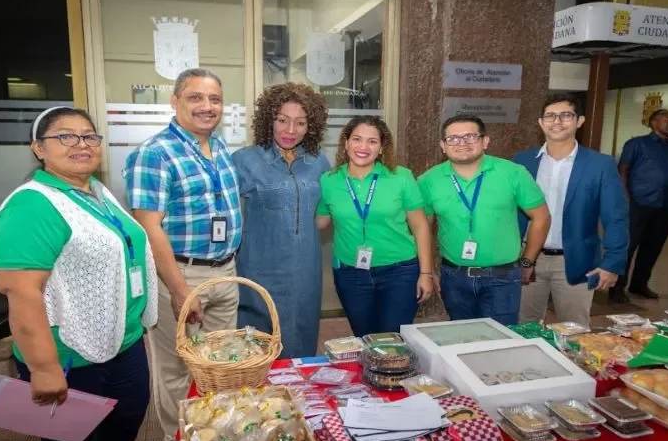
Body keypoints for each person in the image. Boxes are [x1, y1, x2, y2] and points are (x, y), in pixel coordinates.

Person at [0, 107, 158, 441]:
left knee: (123, 426)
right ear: (38, 148)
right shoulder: (32, 204)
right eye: (65, 136)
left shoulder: (95, 191)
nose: (81, 144)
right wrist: (44, 368)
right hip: (68, 352)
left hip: (123, 341)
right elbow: (21, 291)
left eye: (89, 136)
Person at [124, 68, 242, 441]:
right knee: (176, 368)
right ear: (174, 102)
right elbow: (149, 229)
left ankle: (213, 440)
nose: (207, 107)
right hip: (180, 273)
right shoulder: (153, 154)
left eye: (214, 100)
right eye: (195, 98)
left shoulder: (220, 147)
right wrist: (178, 289)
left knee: (219, 364)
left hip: (224, 271)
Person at [418, 115, 550, 325]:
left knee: (500, 342)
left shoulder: (513, 173)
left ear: (485, 141)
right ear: (443, 146)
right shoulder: (428, 180)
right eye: (453, 139)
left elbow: (541, 217)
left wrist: (527, 261)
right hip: (454, 276)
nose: (462, 143)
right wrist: (428, 270)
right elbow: (422, 228)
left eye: (470, 136)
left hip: (503, 277)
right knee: (462, 339)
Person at [232, 83, 331, 359]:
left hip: (305, 268)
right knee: (257, 340)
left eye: (300, 123)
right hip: (259, 265)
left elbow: (327, 211)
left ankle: (298, 395)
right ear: (268, 120)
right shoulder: (244, 160)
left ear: (311, 126)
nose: (290, 131)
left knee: (302, 331)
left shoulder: (319, 163)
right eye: (282, 120)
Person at [515, 93, 629, 326]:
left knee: (574, 331)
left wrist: (612, 262)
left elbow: (616, 216)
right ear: (540, 122)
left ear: (579, 121)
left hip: (576, 260)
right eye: (550, 116)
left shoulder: (600, 164)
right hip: (527, 258)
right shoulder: (522, 161)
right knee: (523, 326)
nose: (557, 121)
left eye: (566, 115)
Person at [316, 116, 434, 337]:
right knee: (364, 337)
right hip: (351, 273)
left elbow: (420, 227)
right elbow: (320, 221)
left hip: (400, 272)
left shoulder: (401, 177)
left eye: (372, 141)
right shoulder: (329, 180)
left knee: (393, 339)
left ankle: (393, 373)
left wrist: (426, 273)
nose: (363, 147)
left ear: (381, 148)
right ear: (347, 143)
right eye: (357, 139)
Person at [610, 109, 668, 303]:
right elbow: (623, 171)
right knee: (628, 247)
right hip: (638, 204)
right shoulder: (637, 144)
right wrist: (625, 199)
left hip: (666, 206)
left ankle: (639, 284)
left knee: (653, 247)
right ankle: (617, 287)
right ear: (653, 122)